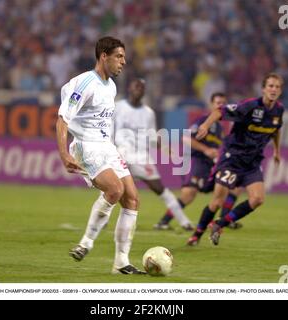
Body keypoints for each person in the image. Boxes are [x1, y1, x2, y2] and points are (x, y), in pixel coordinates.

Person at [56, 36, 146, 274]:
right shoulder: (86, 83)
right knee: (114, 189)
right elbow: (62, 119)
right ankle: (85, 243)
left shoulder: (112, 86)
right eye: (119, 56)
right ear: (103, 56)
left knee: (133, 198)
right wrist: (64, 153)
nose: (123, 62)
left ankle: (121, 262)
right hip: (86, 146)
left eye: (124, 57)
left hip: (106, 146)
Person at [195, 73, 284, 245]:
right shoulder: (250, 106)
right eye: (271, 86)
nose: (273, 89)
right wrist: (205, 125)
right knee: (217, 201)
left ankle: (220, 224)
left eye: (277, 87)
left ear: (280, 91)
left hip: (252, 162)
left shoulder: (279, 110)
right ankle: (196, 234)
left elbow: (276, 129)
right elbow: (220, 111)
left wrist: (277, 151)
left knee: (258, 199)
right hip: (233, 159)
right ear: (264, 89)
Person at [153, 93, 242, 236]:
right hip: (195, 161)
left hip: (209, 166)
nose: (220, 105)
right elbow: (186, 139)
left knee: (233, 186)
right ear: (211, 105)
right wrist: (206, 150)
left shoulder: (220, 129)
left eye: (223, 103)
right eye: (218, 102)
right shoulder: (203, 120)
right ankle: (163, 221)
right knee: (188, 194)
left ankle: (224, 220)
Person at [114, 78, 194, 231]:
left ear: (144, 92)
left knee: (160, 189)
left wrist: (165, 148)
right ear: (129, 88)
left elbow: (151, 136)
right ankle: (101, 222)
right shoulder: (117, 107)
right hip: (120, 155)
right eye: (136, 85)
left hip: (141, 157)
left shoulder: (148, 113)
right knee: (112, 188)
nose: (138, 88)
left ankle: (184, 222)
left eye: (142, 87)